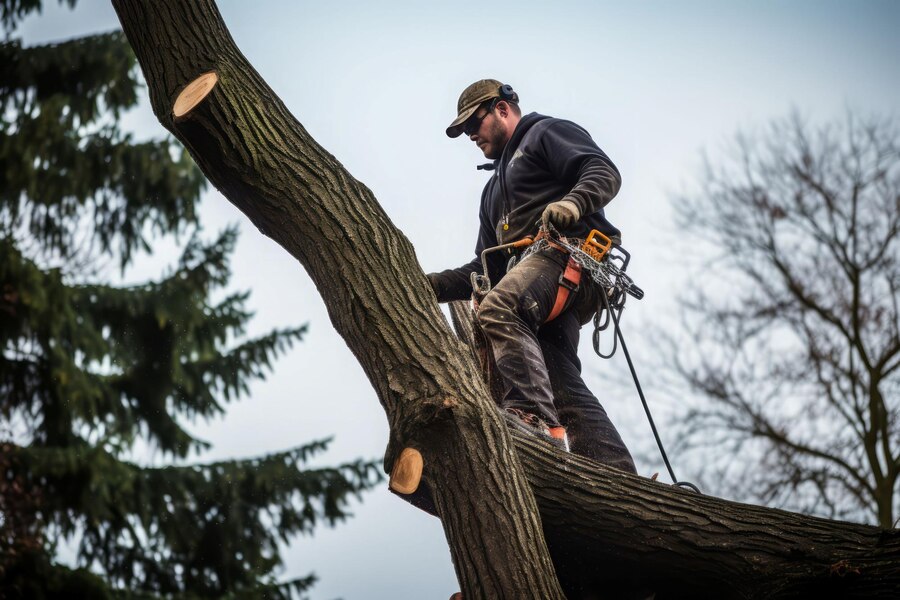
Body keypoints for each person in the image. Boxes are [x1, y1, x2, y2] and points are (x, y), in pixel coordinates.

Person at [427, 79, 636, 473]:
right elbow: (484, 269)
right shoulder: (491, 194)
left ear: (503, 108)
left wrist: (573, 204)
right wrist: (430, 286)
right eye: (464, 130)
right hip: (534, 289)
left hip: (571, 257)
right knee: (560, 385)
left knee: (497, 309)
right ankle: (618, 475)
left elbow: (602, 170)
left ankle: (531, 420)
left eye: (475, 121)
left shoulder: (543, 133)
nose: (470, 133)